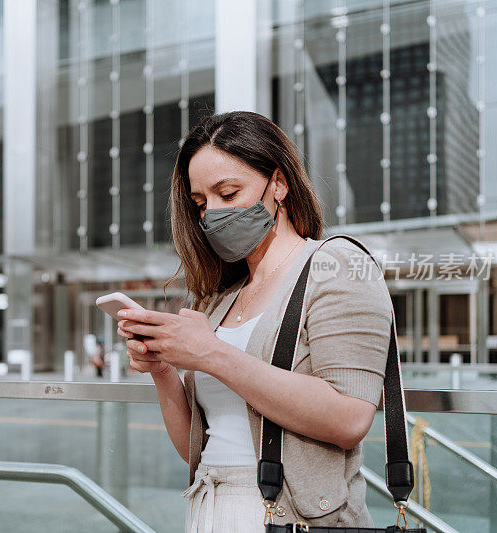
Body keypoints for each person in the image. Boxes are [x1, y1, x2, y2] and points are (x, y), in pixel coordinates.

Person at [116, 111, 393, 530]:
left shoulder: (334, 265)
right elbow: (197, 449)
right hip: (210, 507)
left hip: (290, 518)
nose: (213, 214)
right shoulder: (221, 297)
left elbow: (350, 418)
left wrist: (211, 354)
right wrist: (162, 370)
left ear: (279, 184)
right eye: (201, 202)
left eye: (228, 193)